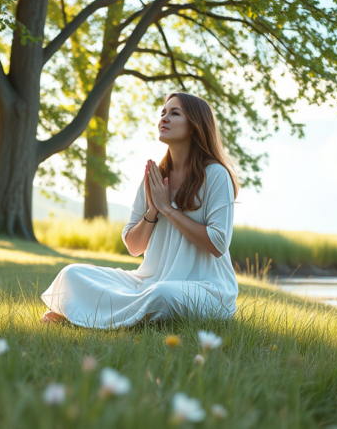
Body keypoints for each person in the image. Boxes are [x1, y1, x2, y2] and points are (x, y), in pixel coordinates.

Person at [40, 92, 240, 329]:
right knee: (72, 274)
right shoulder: (155, 177)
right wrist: (153, 211)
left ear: (196, 125)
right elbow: (134, 247)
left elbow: (218, 244)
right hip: (148, 282)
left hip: (207, 289)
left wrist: (168, 209)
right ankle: (98, 316)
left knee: (162, 294)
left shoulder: (216, 175)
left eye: (174, 113)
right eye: (163, 112)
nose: (164, 118)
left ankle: (83, 319)